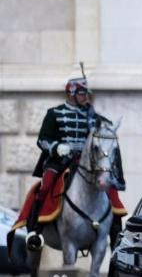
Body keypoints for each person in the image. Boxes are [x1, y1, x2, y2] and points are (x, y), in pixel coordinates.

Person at [27, 76, 126, 251]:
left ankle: (116, 230)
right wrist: (57, 147)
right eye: (81, 93)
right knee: (46, 185)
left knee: (110, 188)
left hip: (86, 161)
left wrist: (104, 126)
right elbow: (42, 140)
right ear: (71, 93)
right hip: (60, 160)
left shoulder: (92, 116)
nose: (85, 97)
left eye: (86, 93)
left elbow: (105, 131)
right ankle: (35, 229)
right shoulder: (54, 114)